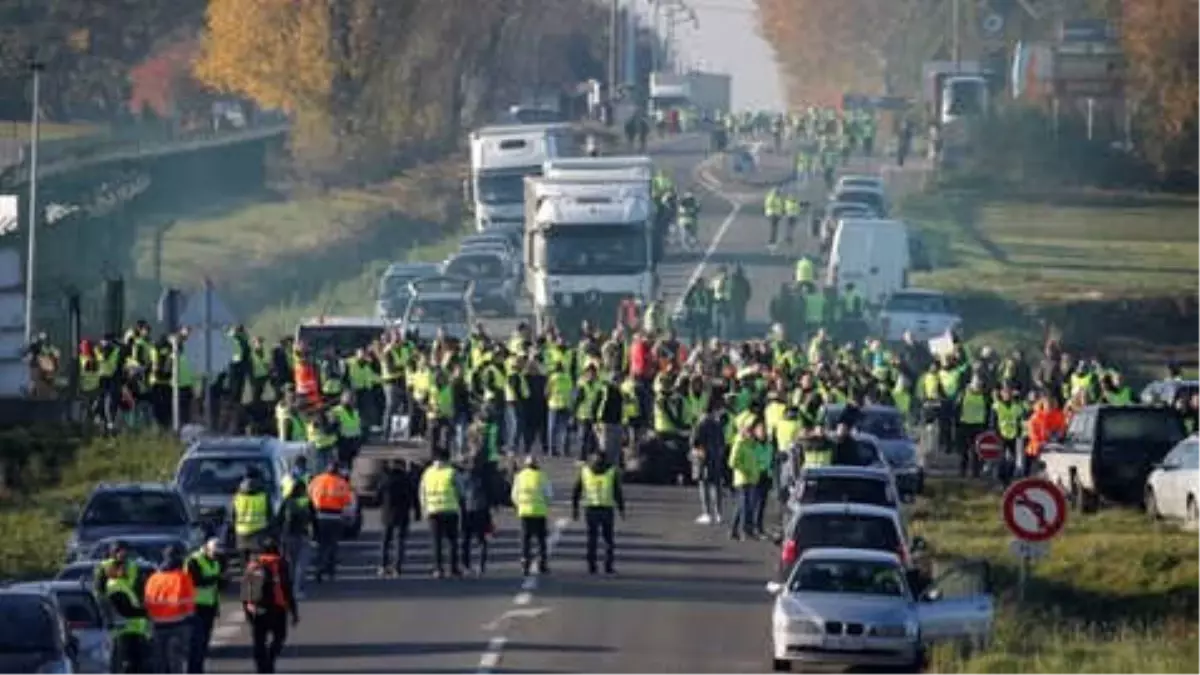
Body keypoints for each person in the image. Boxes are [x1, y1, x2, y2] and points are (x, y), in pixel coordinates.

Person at [241, 538, 299, 675]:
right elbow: (287, 589)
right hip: (277, 608)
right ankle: (270, 659)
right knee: (279, 637)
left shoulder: (253, 564)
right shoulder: (282, 564)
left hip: (257, 609)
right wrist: (294, 612)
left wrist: (247, 611)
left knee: (259, 641)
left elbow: (245, 590)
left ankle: (262, 668)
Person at [143, 545, 196, 675]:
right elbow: (189, 604)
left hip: (157, 624)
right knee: (176, 662)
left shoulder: (153, 578)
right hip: (178, 624)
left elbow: (147, 602)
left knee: (159, 661)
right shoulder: (182, 578)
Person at [571, 451, 626, 574]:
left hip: (591, 508)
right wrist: (622, 509)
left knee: (592, 539)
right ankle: (608, 566)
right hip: (607, 509)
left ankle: (591, 565)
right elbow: (618, 492)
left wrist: (575, 509)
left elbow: (576, 491)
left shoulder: (585, 471)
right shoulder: (611, 471)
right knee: (608, 540)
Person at [419, 449, 463, 578]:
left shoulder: (427, 473)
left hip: (433, 511)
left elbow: (422, 492)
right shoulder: (451, 472)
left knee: (436, 542)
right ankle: (453, 568)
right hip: (450, 510)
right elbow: (460, 490)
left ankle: (437, 569)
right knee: (452, 541)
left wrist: (424, 508)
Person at [307, 461, 353, 583]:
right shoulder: (341, 483)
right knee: (333, 545)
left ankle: (319, 568)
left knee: (321, 544)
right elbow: (347, 502)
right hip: (336, 517)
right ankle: (330, 570)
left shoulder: (317, 480)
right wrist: (348, 518)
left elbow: (309, 495)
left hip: (320, 516)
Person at [186, 538, 225, 675]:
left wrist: (217, 605)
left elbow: (216, 587)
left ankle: (198, 669)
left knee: (204, 642)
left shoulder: (215, 560)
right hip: (195, 606)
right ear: (206, 548)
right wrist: (217, 579)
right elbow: (196, 581)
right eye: (215, 552)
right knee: (196, 642)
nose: (217, 555)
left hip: (209, 606)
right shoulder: (194, 561)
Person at [105, 560, 151, 675]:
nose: (124, 570)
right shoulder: (115, 585)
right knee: (130, 665)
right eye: (121, 568)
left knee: (134, 664)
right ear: (115, 570)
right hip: (127, 631)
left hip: (132, 630)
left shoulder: (120, 583)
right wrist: (145, 612)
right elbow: (126, 610)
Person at [376, 459, 420, 578]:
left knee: (385, 542)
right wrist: (417, 512)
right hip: (402, 514)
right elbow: (414, 497)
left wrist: (381, 504)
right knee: (399, 542)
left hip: (387, 514)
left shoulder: (385, 480)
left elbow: (377, 496)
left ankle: (382, 566)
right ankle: (397, 568)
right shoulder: (407, 480)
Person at [511, 454, 553, 576]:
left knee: (525, 539)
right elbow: (549, 494)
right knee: (541, 540)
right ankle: (542, 564)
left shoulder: (520, 476)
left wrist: (519, 505)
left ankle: (525, 562)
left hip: (524, 512)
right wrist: (546, 504)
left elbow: (514, 495)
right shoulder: (542, 476)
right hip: (539, 512)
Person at [459, 451, 495, 576]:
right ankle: (481, 565)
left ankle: (465, 565)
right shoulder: (485, 476)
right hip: (481, 510)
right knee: (481, 540)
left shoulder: (463, 477)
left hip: (467, 511)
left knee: (466, 540)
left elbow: (460, 494)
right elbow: (491, 493)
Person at [277, 479, 315, 597]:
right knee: (301, 564)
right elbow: (314, 519)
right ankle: (297, 589)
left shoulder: (287, 501)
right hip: (303, 535)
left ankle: (287, 589)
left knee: (289, 564)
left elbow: (279, 519)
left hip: (287, 536)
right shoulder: (306, 501)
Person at [232, 471, 272, 568]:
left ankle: (246, 578)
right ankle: (257, 579)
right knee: (259, 561)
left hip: (241, 532)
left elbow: (232, 515)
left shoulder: (237, 496)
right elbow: (269, 514)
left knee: (244, 561)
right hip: (259, 531)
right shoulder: (263, 495)